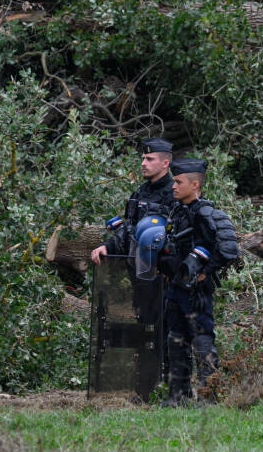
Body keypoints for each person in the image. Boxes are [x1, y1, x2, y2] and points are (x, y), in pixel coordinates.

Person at [159, 157, 240, 404]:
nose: (173, 186)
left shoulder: (207, 213)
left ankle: (208, 396)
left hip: (196, 291)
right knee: (175, 338)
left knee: (202, 339)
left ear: (195, 185)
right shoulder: (177, 211)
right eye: (173, 181)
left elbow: (229, 251)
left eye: (178, 182)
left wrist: (206, 271)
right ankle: (178, 395)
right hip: (175, 287)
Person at [90, 137, 177, 265]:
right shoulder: (140, 192)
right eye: (143, 158)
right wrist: (107, 246)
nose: (143, 163)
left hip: (162, 271)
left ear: (165, 163)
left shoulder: (176, 193)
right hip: (136, 267)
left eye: (149, 159)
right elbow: (129, 228)